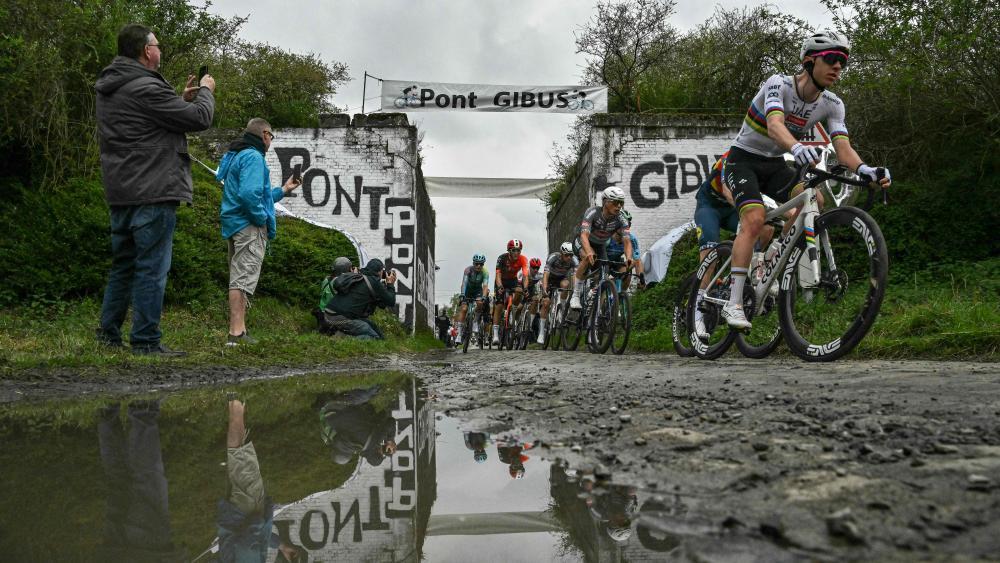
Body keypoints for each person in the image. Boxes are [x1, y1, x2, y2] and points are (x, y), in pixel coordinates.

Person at [720, 29, 891, 330]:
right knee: (755, 219)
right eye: (833, 59)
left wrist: (866, 170)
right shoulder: (779, 84)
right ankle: (733, 303)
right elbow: (774, 125)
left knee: (815, 202)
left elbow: (843, 147)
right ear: (810, 61)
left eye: (844, 62)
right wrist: (797, 147)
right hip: (742, 160)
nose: (839, 67)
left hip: (773, 164)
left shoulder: (833, 104)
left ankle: (772, 257)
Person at [94, 24, 216, 357]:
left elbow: (145, 124)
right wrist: (206, 91)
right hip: (153, 189)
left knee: (124, 265)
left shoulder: (112, 86)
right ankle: (146, 342)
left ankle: (108, 336)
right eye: (157, 46)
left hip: (122, 190)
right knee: (151, 267)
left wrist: (179, 101)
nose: (159, 51)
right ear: (147, 51)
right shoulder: (146, 87)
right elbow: (200, 119)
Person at [218, 118, 302, 346]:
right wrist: (260, 219)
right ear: (265, 134)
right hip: (248, 226)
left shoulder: (238, 154)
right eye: (271, 136)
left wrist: (283, 190)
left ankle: (240, 330)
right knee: (242, 278)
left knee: (240, 276)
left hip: (235, 223)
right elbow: (249, 195)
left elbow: (259, 196)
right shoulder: (254, 157)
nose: (270, 141)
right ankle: (235, 334)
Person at [216, 397, 300, 562]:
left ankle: (236, 401)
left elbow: (248, 543)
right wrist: (281, 546)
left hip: (247, 510)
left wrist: (258, 523)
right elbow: (257, 542)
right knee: (240, 457)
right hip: (237, 513)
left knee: (238, 456)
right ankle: (236, 403)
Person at [570, 187, 632, 309]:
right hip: (583, 241)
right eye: (615, 202)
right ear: (605, 201)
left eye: (621, 202)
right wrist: (588, 252)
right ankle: (575, 295)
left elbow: (627, 241)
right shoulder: (593, 212)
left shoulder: (621, 219)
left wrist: (629, 257)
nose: (619, 206)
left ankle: (593, 289)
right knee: (588, 258)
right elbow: (584, 235)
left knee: (605, 271)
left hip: (600, 245)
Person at [322, 258, 397, 339]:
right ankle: (341, 339)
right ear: (379, 271)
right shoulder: (374, 282)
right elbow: (391, 301)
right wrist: (390, 284)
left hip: (328, 312)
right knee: (374, 338)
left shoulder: (357, 275)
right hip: (339, 317)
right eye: (383, 271)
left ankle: (383, 343)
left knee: (374, 328)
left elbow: (381, 303)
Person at [538, 242, 578, 343]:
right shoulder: (553, 258)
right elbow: (546, 275)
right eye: (566, 255)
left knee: (566, 285)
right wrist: (544, 290)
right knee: (546, 303)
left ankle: (563, 308)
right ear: (561, 253)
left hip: (561, 279)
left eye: (571, 255)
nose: (569, 257)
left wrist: (575, 291)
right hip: (550, 279)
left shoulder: (573, 260)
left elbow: (574, 277)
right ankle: (542, 332)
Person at [491, 240, 529, 345]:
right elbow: (497, 275)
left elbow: (525, 276)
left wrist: (525, 288)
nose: (516, 253)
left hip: (513, 281)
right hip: (501, 281)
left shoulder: (523, 259)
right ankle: (495, 334)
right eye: (514, 250)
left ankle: (513, 310)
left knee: (520, 291)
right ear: (509, 251)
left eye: (518, 250)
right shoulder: (501, 258)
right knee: (499, 305)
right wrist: (499, 286)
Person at [454, 253, 491, 343]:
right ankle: (459, 333)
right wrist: (462, 294)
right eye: (476, 264)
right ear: (473, 263)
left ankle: (475, 322)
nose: (479, 266)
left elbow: (485, 286)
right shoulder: (468, 270)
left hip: (477, 291)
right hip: (467, 290)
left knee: (480, 303)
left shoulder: (485, 272)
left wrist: (484, 296)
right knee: (464, 308)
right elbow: (464, 283)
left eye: (481, 264)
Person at [606, 210, 644, 292]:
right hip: (603, 260)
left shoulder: (631, 239)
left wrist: (640, 279)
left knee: (628, 274)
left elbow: (638, 260)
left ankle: (620, 298)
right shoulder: (607, 235)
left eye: (627, 224)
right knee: (600, 282)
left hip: (616, 262)